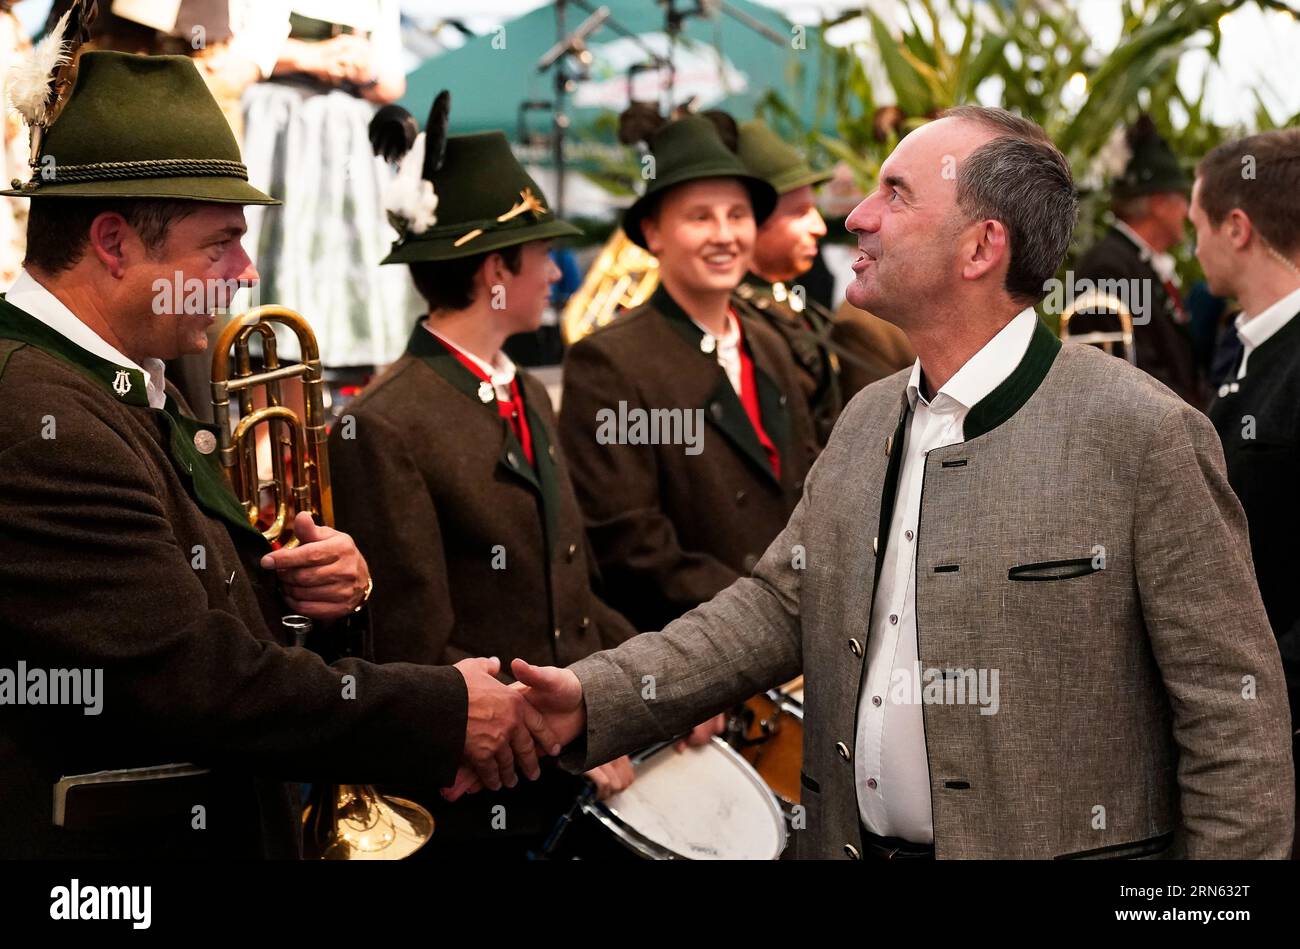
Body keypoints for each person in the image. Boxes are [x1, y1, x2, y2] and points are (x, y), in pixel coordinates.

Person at [487, 106, 1296, 860]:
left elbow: (1234, 718)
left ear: (981, 247)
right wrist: (595, 697)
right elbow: (778, 603)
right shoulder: (869, 418)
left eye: (894, 194)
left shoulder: (1144, 435)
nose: (856, 216)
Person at [0, 51, 554, 858]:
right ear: (114, 243)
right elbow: (198, 681)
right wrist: (444, 709)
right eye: (221, 244)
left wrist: (326, 596)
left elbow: (215, 620)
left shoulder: (120, 378)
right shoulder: (39, 413)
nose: (247, 272)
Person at [330, 95, 682, 857]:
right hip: (479, 802)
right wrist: (570, 735)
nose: (557, 271)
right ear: (496, 270)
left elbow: (572, 595)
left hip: (561, 763)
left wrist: (656, 691)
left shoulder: (522, 388)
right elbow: (417, 650)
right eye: (542, 254)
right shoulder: (385, 420)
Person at [558, 109, 818, 634]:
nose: (724, 235)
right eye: (700, 217)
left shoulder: (768, 341)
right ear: (653, 233)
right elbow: (629, 547)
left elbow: (810, 487)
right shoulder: (609, 361)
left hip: (798, 634)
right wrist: (765, 609)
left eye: (737, 215)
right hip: (693, 650)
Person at [1194, 128, 1300, 847]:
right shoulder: (1250, 348)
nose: (1193, 245)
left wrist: (1257, 692)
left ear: (1238, 228)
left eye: (1199, 224)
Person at [732, 118, 912, 444]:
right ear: (746, 220)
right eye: (799, 212)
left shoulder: (786, 305)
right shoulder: (736, 323)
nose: (818, 226)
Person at [1073, 115, 1204, 406]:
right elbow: (1126, 377)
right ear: (1158, 204)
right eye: (1182, 199)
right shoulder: (1107, 267)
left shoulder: (1133, 262)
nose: (1188, 211)